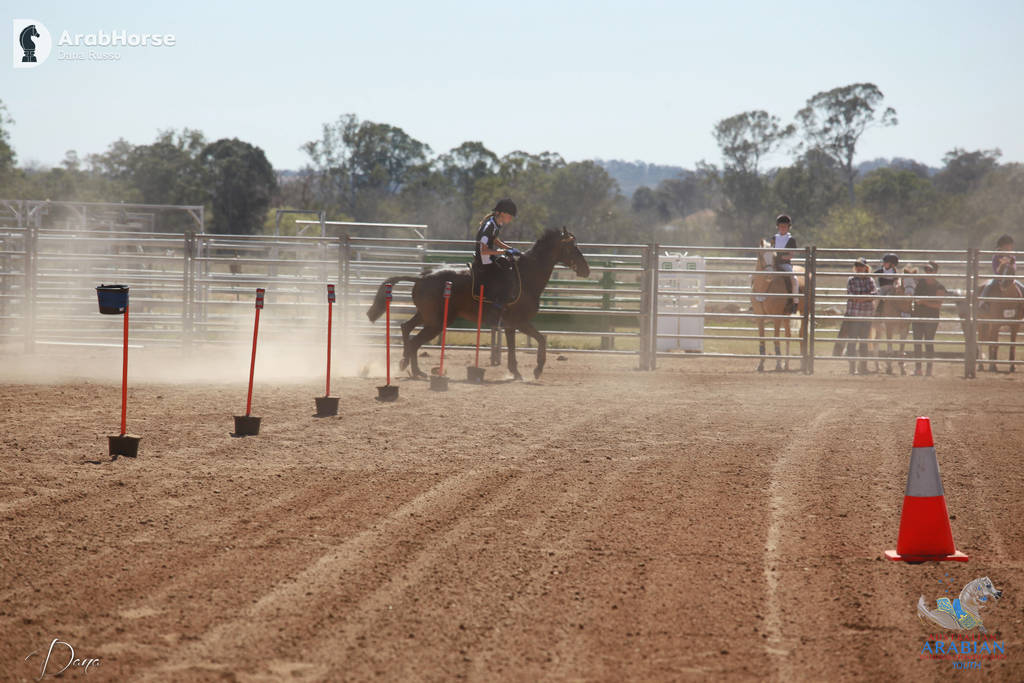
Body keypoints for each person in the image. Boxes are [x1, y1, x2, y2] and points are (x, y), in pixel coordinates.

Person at [473, 198, 519, 324]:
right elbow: (484, 251)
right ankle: (495, 311)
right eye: (510, 215)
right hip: (484, 261)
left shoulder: (496, 224)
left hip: (489, 258)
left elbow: (495, 240)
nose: (511, 218)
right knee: (506, 279)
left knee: (507, 267)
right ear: (502, 213)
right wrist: (503, 252)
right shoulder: (489, 226)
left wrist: (510, 249)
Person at [832, 257, 877, 375]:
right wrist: (865, 298)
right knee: (852, 342)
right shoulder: (851, 279)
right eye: (857, 266)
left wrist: (860, 298)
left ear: (865, 268)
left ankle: (863, 366)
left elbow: (873, 294)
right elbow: (852, 294)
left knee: (863, 342)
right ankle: (852, 367)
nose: (858, 268)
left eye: (861, 266)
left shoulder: (870, 280)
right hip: (854, 315)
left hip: (865, 316)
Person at [911, 260, 947, 377]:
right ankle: (918, 369)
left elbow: (938, 305)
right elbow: (914, 297)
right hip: (918, 316)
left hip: (931, 317)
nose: (927, 272)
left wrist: (924, 302)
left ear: (935, 272)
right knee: (917, 342)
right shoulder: (920, 283)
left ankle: (928, 370)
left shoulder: (939, 287)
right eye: (926, 270)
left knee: (928, 342)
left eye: (930, 270)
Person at [768, 214, 799, 313]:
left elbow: (791, 255)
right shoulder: (774, 238)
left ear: (788, 227)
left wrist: (781, 257)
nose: (782, 228)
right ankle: (757, 299)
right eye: (781, 226)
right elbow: (770, 250)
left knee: (794, 279)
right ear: (778, 226)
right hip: (773, 264)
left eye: (785, 227)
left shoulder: (791, 239)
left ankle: (795, 302)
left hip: (785, 264)